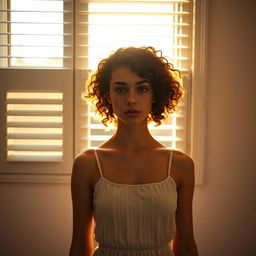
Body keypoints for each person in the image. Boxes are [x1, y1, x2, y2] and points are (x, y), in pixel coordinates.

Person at [69, 46, 198, 256]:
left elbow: (185, 245)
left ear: (155, 94)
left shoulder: (181, 164)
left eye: (142, 89)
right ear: (107, 95)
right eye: (120, 89)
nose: (131, 99)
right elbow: (80, 246)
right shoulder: (87, 164)